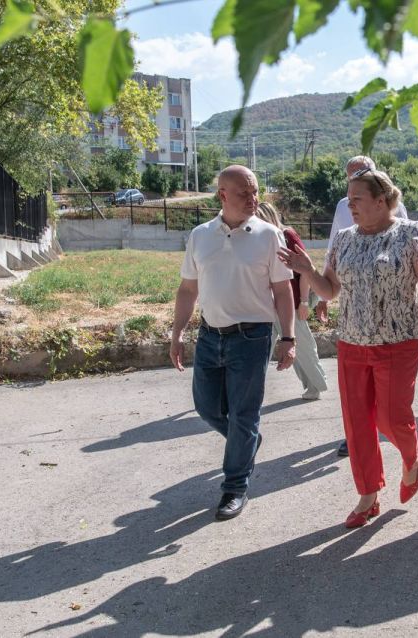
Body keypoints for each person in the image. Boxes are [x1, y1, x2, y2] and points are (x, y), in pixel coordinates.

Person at [278, 168, 418, 528]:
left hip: (397, 343)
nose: (350, 206)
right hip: (351, 343)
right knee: (357, 424)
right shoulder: (344, 239)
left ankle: (411, 458)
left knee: (390, 417)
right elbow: (330, 291)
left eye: (357, 199)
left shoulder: (411, 232)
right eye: (348, 199)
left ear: (381, 201)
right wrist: (306, 269)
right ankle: (368, 495)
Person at [170, 165, 297, 522]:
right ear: (222, 195)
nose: (253, 199)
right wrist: (178, 333)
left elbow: (283, 290)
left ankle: (235, 486)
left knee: (244, 413)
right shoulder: (200, 235)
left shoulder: (269, 235)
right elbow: (187, 289)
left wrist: (287, 337)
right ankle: (247, 440)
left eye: (256, 192)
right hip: (210, 335)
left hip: (252, 337)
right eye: (245, 193)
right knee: (207, 408)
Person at [315, 155, 408, 458]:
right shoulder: (344, 210)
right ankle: (367, 485)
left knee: (389, 415)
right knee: (357, 416)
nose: (350, 200)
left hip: (393, 329)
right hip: (353, 327)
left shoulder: (400, 219)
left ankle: (404, 450)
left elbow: (403, 237)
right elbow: (333, 250)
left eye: (360, 176)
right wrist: (317, 292)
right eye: (349, 180)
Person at [256, 202, 328, 400]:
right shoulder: (259, 240)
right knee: (260, 349)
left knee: (302, 347)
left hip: (294, 301)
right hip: (269, 305)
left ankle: (316, 385)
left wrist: (304, 303)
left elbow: (305, 270)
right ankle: (245, 388)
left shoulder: (287, 235)